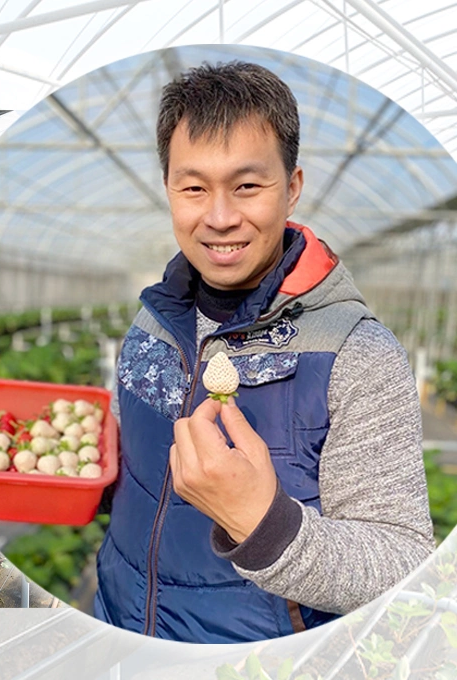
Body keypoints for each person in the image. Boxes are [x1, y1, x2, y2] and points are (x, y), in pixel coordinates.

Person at [93, 61, 435, 643]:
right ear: (170, 189)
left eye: (247, 186)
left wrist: (263, 522)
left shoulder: (354, 351)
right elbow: (140, 470)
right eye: (194, 187)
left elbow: (406, 565)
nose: (220, 218)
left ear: (292, 186)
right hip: (119, 627)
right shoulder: (153, 320)